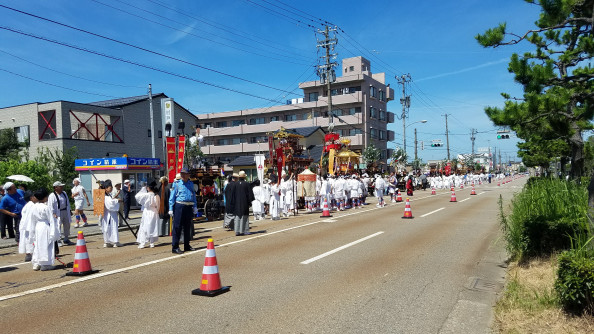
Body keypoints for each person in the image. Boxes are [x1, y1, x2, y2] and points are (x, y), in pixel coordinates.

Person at [168, 168, 197, 254]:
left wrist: (195, 206)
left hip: (189, 206)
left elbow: (193, 195)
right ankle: (175, 246)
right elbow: (172, 197)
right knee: (177, 227)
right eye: (182, 174)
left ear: (188, 175)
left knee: (187, 226)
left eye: (185, 174)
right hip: (179, 205)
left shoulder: (191, 184)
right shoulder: (176, 184)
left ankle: (187, 245)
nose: (183, 176)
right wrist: (170, 208)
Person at [31, 188, 60, 271]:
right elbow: (50, 219)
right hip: (44, 226)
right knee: (46, 245)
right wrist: (54, 232)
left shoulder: (34, 206)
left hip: (37, 226)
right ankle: (45, 265)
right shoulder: (45, 207)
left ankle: (36, 263)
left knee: (38, 245)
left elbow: (32, 219)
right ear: (44, 197)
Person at [47, 181, 74, 246]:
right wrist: (53, 213)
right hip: (57, 213)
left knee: (67, 224)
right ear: (56, 188)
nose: (62, 187)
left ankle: (66, 238)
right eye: (60, 186)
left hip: (65, 211)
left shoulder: (64, 193)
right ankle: (58, 240)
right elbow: (50, 206)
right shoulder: (52, 195)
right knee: (57, 226)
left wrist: (69, 210)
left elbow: (67, 202)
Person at [135, 181, 160, 248]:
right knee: (152, 227)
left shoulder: (146, 195)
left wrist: (143, 189)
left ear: (148, 188)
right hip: (154, 212)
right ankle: (151, 242)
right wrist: (157, 213)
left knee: (144, 227)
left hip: (147, 211)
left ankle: (143, 242)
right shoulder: (156, 195)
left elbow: (137, 196)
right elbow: (158, 206)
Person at [100, 180, 121, 248]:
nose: (111, 189)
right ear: (105, 188)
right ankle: (114, 242)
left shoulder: (108, 195)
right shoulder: (105, 196)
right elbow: (110, 205)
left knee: (109, 227)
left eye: (111, 187)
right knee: (110, 227)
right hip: (109, 214)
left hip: (109, 214)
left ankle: (108, 241)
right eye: (109, 187)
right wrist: (117, 200)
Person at [233, 171, 255, 236]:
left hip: (237, 203)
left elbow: (233, 195)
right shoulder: (247, 184)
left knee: (237, 217)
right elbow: (250, 195)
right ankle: (245, 230)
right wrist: (250, 202)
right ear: (244, 176)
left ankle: (237, 231)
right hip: (244, 202)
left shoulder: (235, 184)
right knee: (244, 217)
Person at [18, 191, 36, 262]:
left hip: (25, 225)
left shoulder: (28, 205)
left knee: (27, 240)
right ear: (31, 198)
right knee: (29, 239)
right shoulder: (31, 205)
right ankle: (29, 254)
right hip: (28, 225)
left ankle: (29, 254)